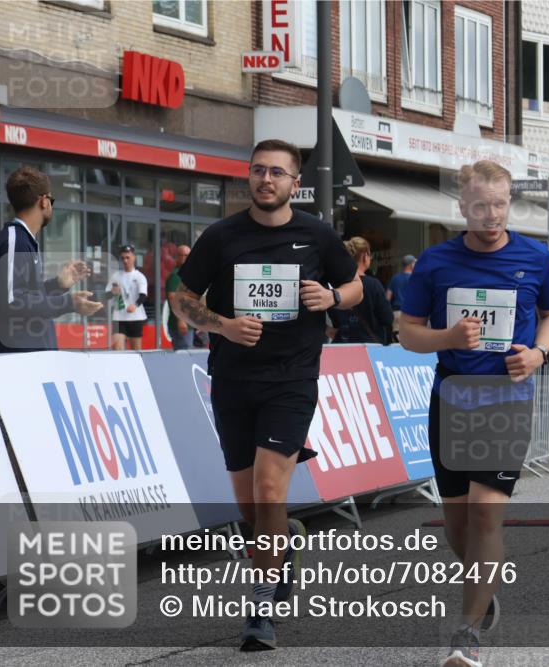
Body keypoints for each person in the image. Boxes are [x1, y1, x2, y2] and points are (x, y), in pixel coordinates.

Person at [171, 139, 363, 651]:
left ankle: (260, 609)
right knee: (249, 503)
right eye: (258, 170)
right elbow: (181, 299)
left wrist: (332, 296)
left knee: (269, 489)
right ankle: (285, 542)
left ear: (294, 183)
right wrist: (224, 326)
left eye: (277, 172)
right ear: (249, 176)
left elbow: (356, 288)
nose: (266, 179)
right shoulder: (222, 236)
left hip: (291, 379)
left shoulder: (317, 234)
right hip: (233, 380)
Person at [399, 159, 549, 667]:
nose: (491, 215)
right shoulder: (435, 262)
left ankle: (466, 634)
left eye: (499, 205)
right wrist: (448, 337)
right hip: (452, 397)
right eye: (480, 206)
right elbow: (408, 333)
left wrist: (538, 354)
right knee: (456, 524)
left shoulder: (537, 259)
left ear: (509, 203)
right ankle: (483, 588)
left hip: (506, 398)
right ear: (462, 206)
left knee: (485, 512)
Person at [0, 167, 101, 353]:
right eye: (51, 201)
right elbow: (15, 301)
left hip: (28, 357)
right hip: (19, 360)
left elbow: (26, 297)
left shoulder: (22, 240)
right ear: (44, 201)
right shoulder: (15, 240)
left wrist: (58, 284)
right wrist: (69, 303)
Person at [329, 236, 393, 344]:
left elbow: (333, 320)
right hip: (370, 346)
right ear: (365, 256)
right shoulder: (373, 284)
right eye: (369, 254)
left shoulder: (335, 285)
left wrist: (328, 330)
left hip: (342, 345)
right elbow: (387, 318)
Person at [109, 244, 149, 351]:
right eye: (123, 258)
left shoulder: (139, 276)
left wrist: (135, 305)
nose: (125, 261)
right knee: (117, 348)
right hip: (119, 317)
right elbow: (107, 294)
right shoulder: (116, 276)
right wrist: (112, 292)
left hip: (135, 317)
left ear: (134, 257)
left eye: (128, 257)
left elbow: (143, 295)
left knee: (136, 348)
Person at [165, 244, 195, 350]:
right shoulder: (176, 275)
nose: (185, 258)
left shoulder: (186, 274)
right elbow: (173, 298)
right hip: (181, 325)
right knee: (185, 355)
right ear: (176, 257)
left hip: (189, 324)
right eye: (182, 255)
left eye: (188, 255)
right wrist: (181, 320)